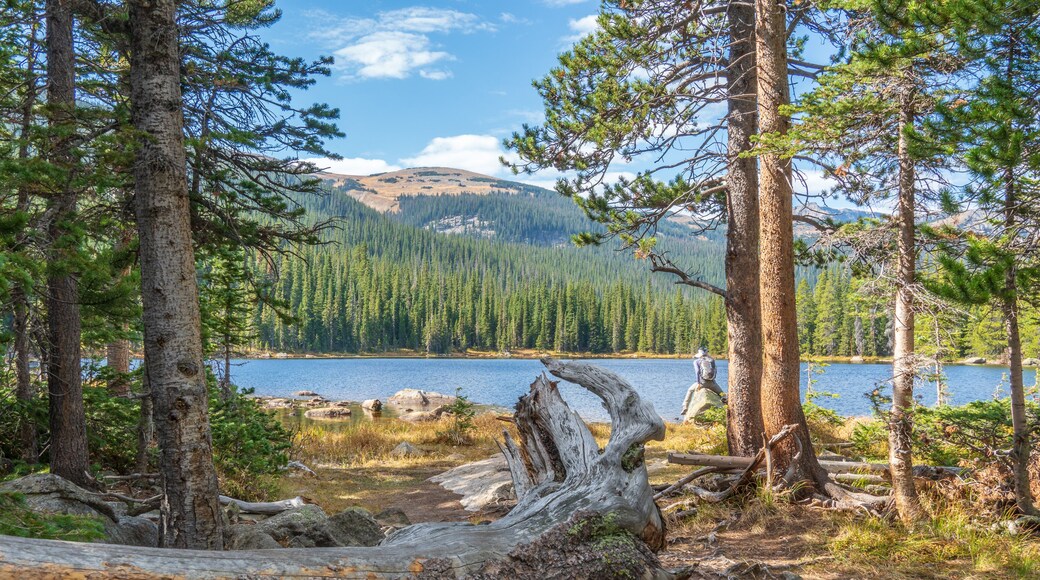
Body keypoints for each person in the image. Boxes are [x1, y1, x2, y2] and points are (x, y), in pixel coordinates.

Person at [681, 347, 725, 420]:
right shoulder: (711, 360)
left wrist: (698, 383)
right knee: (722, 394)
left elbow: (697, 372)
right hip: (712, 383)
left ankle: (685, 407)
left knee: (690, 390)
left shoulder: (697, 361)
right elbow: (715, 371)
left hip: (702, 383)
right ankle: (725, 406)